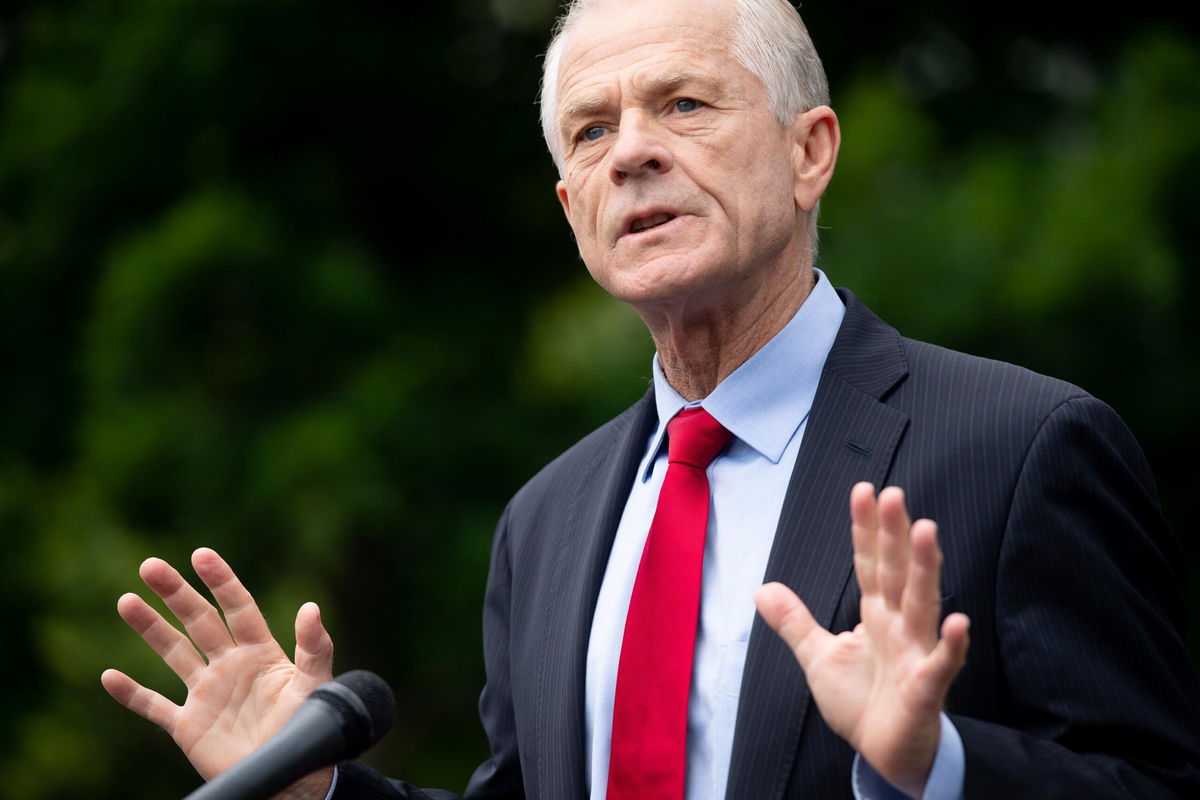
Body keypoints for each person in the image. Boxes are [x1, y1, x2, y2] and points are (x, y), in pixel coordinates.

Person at [102, 0, 1200, 798]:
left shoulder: (1024, 444)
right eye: (591, 131)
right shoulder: (547, 518)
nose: (632, 152)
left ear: (809, 151)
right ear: (570, 202)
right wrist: (318, 787)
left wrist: (936, 765)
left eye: (681, 103)